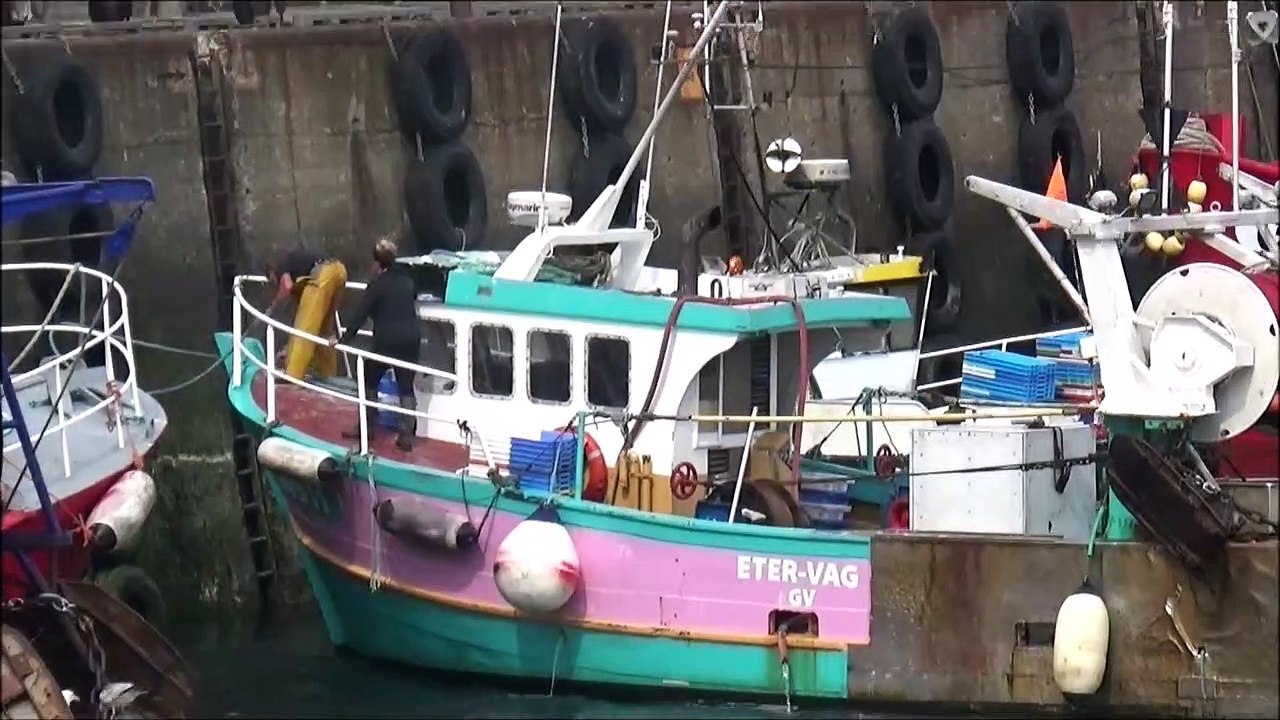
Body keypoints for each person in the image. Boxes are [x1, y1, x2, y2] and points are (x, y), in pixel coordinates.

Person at [330, 238, 421, 451]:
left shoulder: (377, 285)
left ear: (377, 264)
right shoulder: (408, 282)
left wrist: (343, 340)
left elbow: (358, 316)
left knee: (368, 378)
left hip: (388, 340)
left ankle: (366, 427)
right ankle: (407, 435)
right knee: (406, 387)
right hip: (411, 339)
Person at [267, 247, 348, 381]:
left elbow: (286, 287)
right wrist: (288, 349)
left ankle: (292, 376)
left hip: (323, 275)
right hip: (339, 271)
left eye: (272, 281)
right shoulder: (300, 274)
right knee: (324, 329)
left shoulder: (282, 267)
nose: (274, 285)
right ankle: (328, 374)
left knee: (304, 329)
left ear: (272, 273)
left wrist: (273, 306)